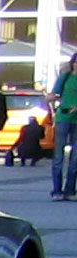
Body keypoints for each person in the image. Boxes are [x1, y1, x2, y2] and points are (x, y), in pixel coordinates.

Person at [52, 53, 77, 199]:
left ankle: (70, 190)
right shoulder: (66, 77)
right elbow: (56, 94)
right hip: (63, 118)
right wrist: (51, 98)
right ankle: (56, 190)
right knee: (58, 156)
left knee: (75, 159)